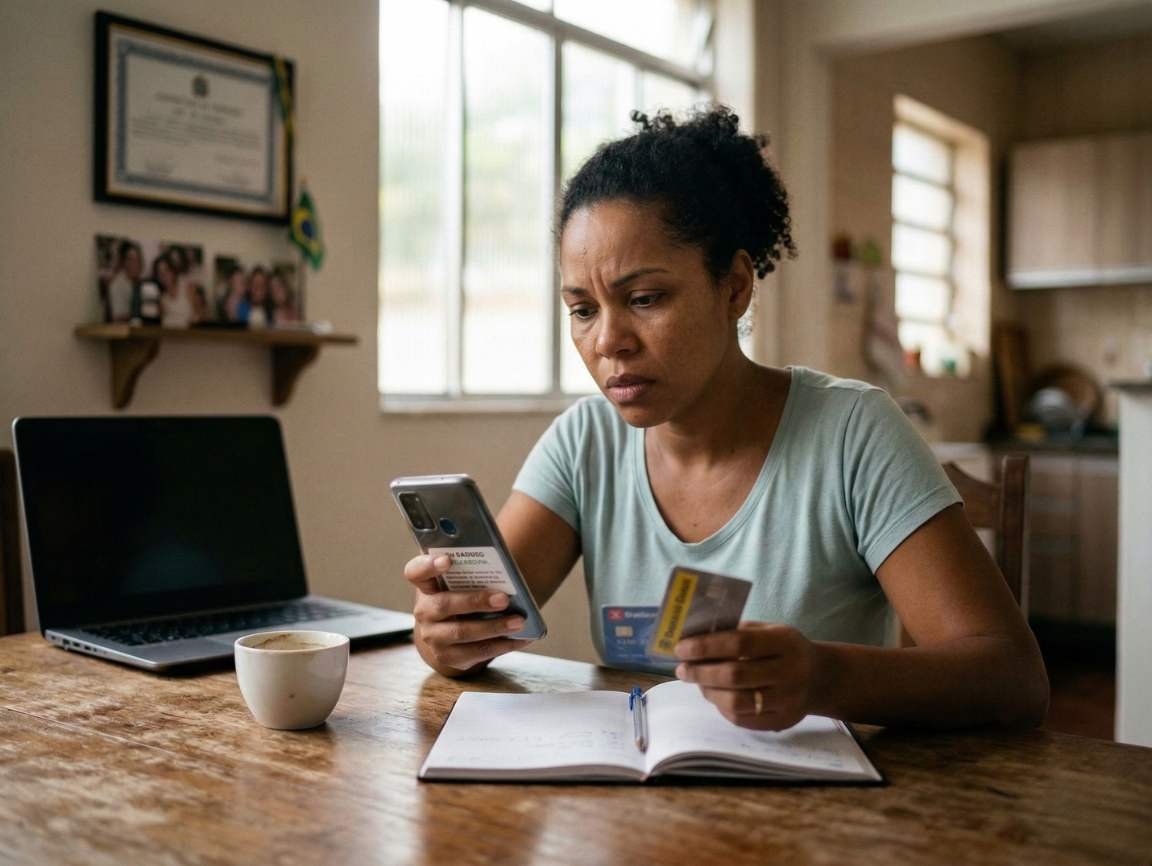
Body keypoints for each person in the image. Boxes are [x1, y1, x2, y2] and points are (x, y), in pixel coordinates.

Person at [403, 106, 1049, 732]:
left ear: (735, 285)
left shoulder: (854, 435)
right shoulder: (584, 445)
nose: (609, 341)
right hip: (640, 825)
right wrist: (447, 636)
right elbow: (482, 621)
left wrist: (824, 678)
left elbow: (1013, 677)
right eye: (583, 309)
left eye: (645, 298)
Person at [105, 240, 144, 322]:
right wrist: (141, 312)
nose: (135, 263)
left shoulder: (139, 281)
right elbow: (117, 318)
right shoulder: (117, 285)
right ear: (124, 262)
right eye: (130, 259)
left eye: (138, 260)